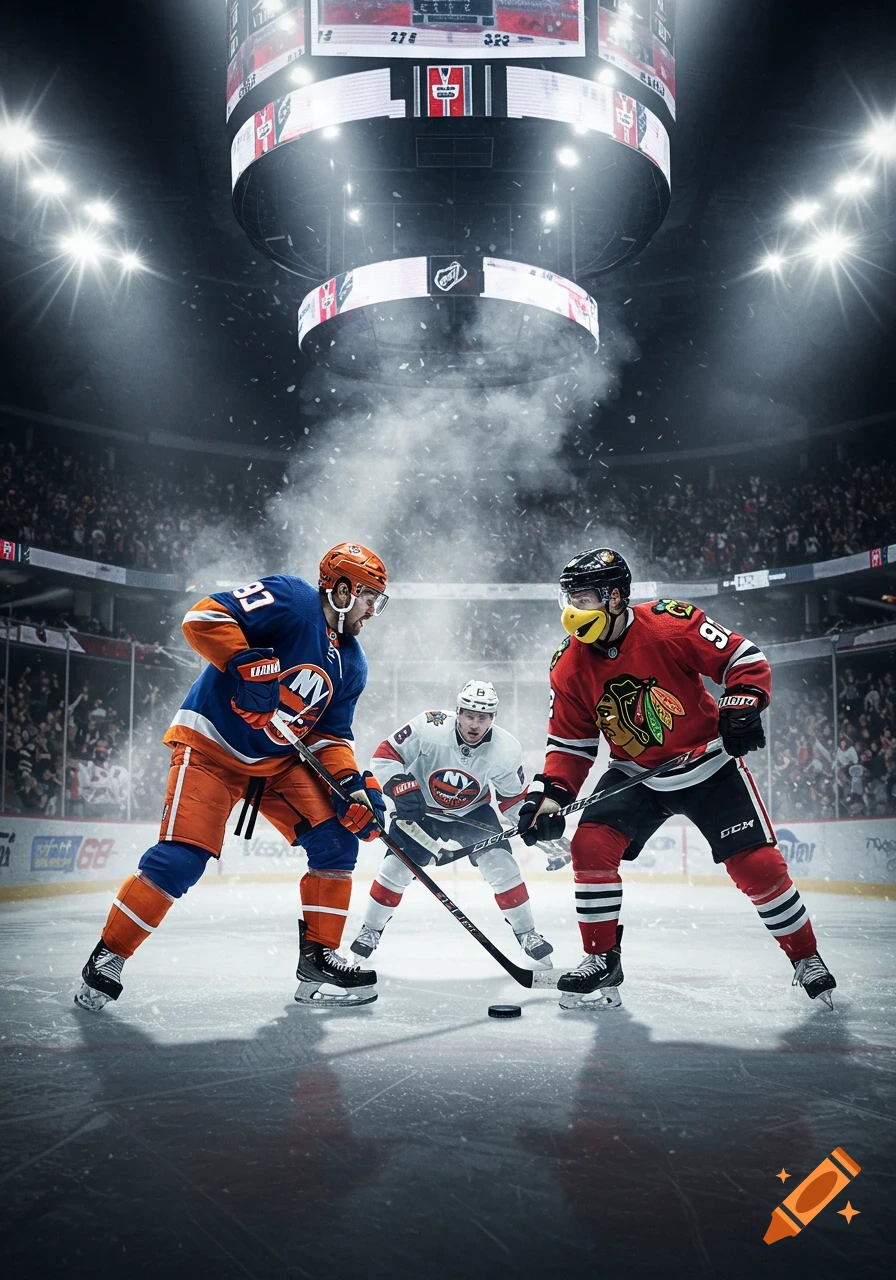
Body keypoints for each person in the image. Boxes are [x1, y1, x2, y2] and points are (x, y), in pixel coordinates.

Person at [74, 543, 390, 1012]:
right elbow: (203, 618)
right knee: (182, 859)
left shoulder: (354, 662)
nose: (373, 609)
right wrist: (245, 664)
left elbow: (330, 735)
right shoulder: (292, 598)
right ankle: (108, 957)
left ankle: (317, 961)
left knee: (338, 842)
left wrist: (351, 788)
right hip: (212, 748)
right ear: (342, 588)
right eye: (369, 597)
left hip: (277, 765)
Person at [517, 547, 837, 1011]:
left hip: (708, 765)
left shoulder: (671, 622)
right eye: (568, 599)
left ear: (614, 597)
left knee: (757, 867)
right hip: (637, 775)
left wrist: (744, 700)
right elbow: (571, 743)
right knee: (590, 845)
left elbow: (743, 659)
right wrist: (550, 797)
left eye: (582, 598)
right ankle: (602, 957)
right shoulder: (567, 664)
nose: (571, 611)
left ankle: (806, 957)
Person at [350, 680, 558, 966]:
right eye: (470, 715)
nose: (475, 724)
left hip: (473, 813)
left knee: (502, 867)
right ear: (458, 712)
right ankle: (370, 931)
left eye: (483, 718)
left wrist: (533, 823)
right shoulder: (428, 725)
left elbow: (512, 801)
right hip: (421, 812)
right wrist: (398, 785)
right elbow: (385, 756)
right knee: (394, 869)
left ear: (492, 719)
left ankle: (527, 934)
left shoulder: (506, 749)